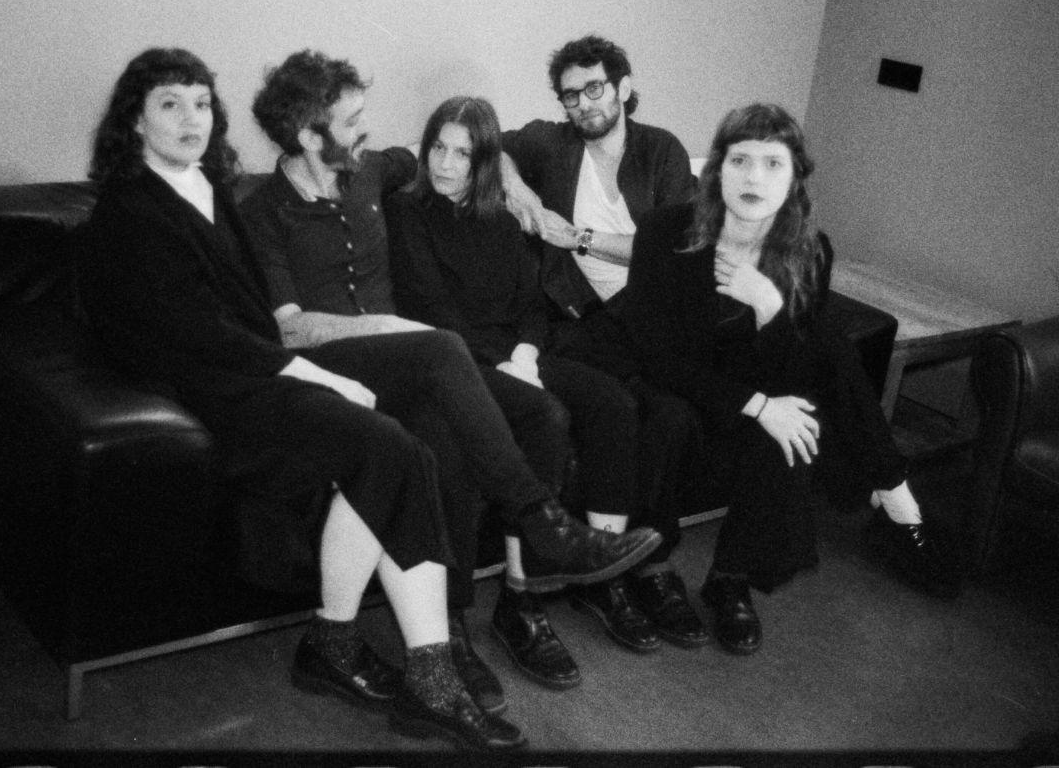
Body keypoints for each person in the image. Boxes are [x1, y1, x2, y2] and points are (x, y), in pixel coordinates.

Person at [76, 48, 529, 750]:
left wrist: (518, 183)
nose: (191, 118)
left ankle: (353, 649)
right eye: (170, 104)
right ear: (135, 120)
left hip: (246, 374)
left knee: (397, 450)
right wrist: (312, 374)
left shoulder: (204, 182)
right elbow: (199, 335)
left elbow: (439, 157)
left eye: (201, 101)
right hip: (204, 395)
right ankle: (404, 670)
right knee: (386, 446)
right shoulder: (129, 210)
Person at [238, 49, 662, 705]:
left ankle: (500, 606)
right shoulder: (262, 211)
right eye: (352, 121)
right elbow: (291, 327)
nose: (364, 133)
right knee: (440, 360)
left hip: (414, 361)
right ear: (305, 132)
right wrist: (383, 329)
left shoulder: (371, 170)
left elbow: (470, 149)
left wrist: (520, 197)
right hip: (333, 367)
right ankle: (545, 527)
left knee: (534, 415)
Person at [596, 102, 961, 654]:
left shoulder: (808, 251)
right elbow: (656, 357)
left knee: (798, 410)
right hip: (672, 384)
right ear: (717, 169)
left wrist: (769, 308)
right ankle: (652, 567)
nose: (753, 178)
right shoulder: (666, 231)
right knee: (694, 413)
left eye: (773, 163)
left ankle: (730, 579)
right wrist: (760, 405)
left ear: (794, 179)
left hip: (749, 383)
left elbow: (792, 371)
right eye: (741, 160)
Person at [386, 95, 713, 670]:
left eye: (462, 153)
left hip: (514, 354)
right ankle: (497, 600)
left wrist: (527, 352)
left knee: (611, 403)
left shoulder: (503, 219)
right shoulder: (408, 212)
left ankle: (571, 585)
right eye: (437, 146)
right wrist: (508, 363)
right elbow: (432, 311)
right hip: (452, 359)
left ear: (485, 161)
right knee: (544, 418)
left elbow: (532, 304)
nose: (444, 163)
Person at [499, 34, 696, 356]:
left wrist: (579, 238)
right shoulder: (555, 144)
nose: (584, 104)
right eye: (571, 95)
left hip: (662, 305)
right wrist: (518, 189)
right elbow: (493, 146)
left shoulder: (660, 149)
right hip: (589, 313)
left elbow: (669, 251)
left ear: (623, 89)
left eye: (594, 88)